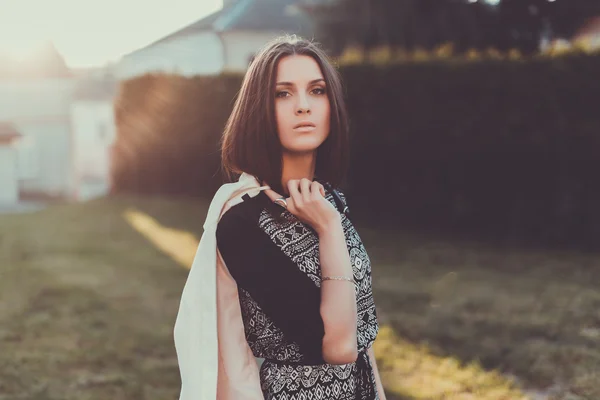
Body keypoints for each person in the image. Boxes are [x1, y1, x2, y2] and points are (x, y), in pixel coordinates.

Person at [215, 35, 384, 400]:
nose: (304, 106)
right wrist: (328, 229)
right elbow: (337, 349)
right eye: (283, 94)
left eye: (317, 90)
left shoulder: (332, 201)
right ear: (258, 109)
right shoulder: (242, 223)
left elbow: (361, 341)